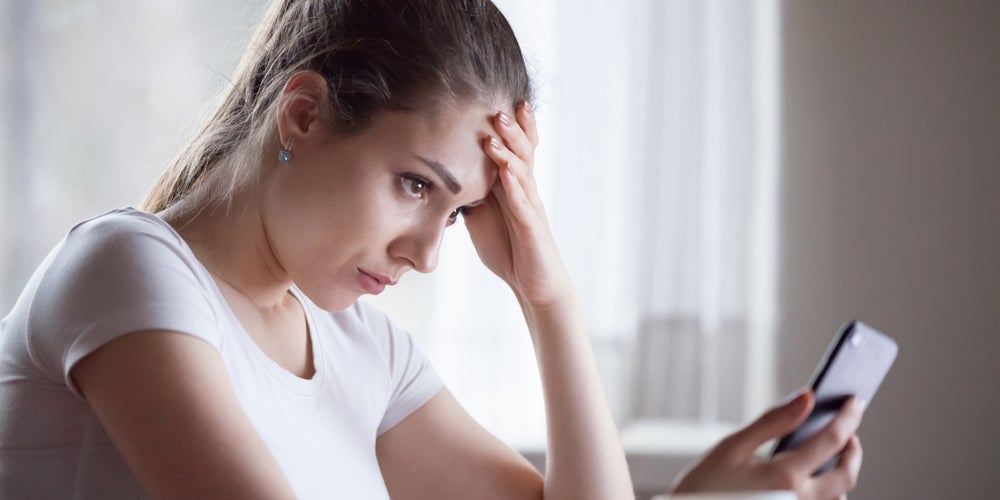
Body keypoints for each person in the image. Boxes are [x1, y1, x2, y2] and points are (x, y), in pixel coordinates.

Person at [0, 0, 864, 498]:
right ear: (302, 114)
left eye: (457, 214)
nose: (425, 255)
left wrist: (545, 294)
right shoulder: (130, 268)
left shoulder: (359, 350)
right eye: (417, 184)